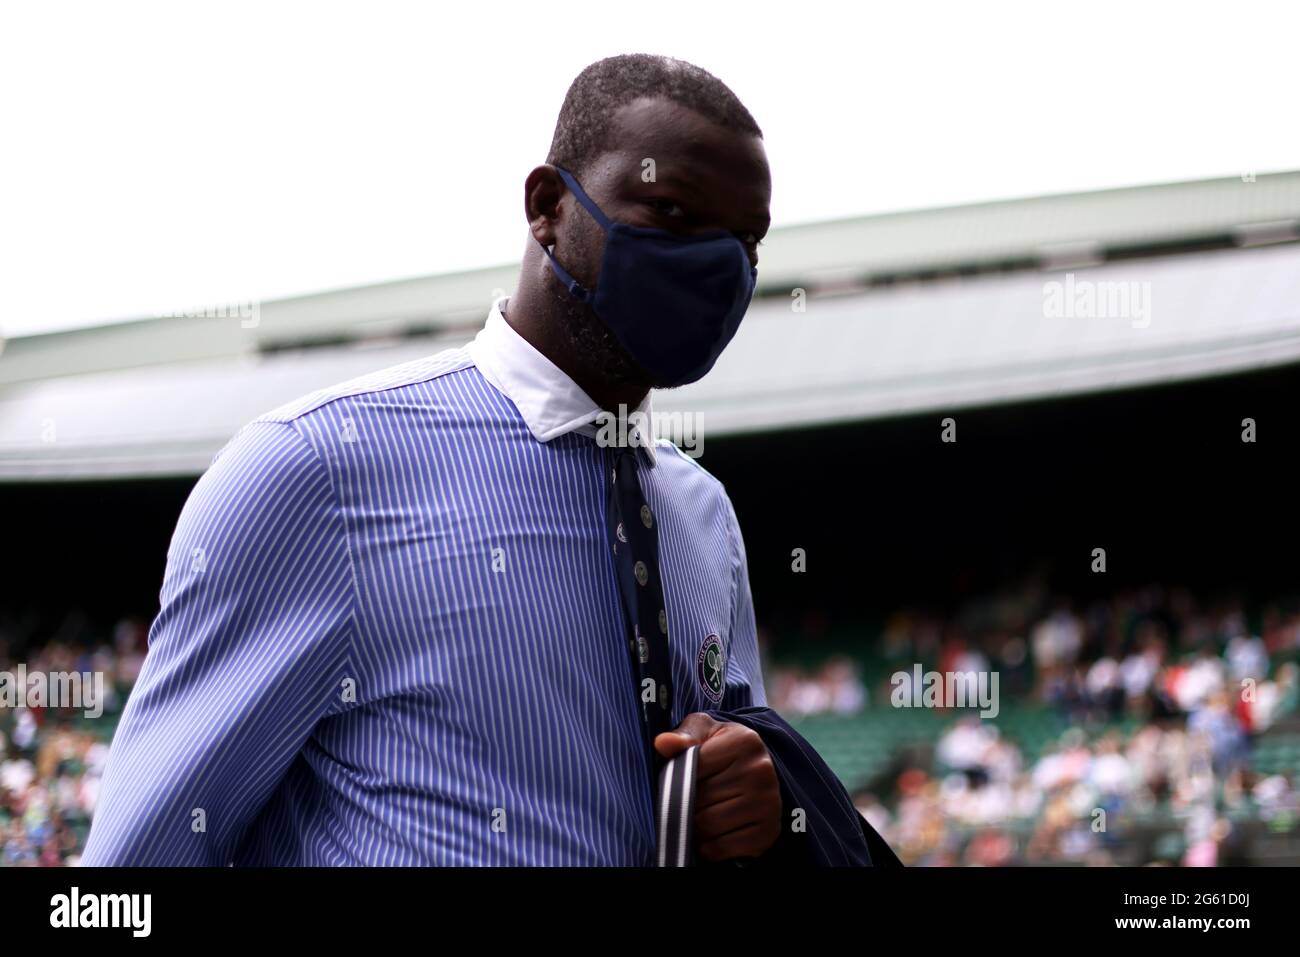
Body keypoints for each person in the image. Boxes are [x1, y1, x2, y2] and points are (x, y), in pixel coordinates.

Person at [84, 53, 892, 866]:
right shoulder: (316, 471)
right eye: (673, 213)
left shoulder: (703, 512)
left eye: (744, 242)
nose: (718, 268)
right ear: (547, 206)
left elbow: (727, 778)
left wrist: (760, 796)